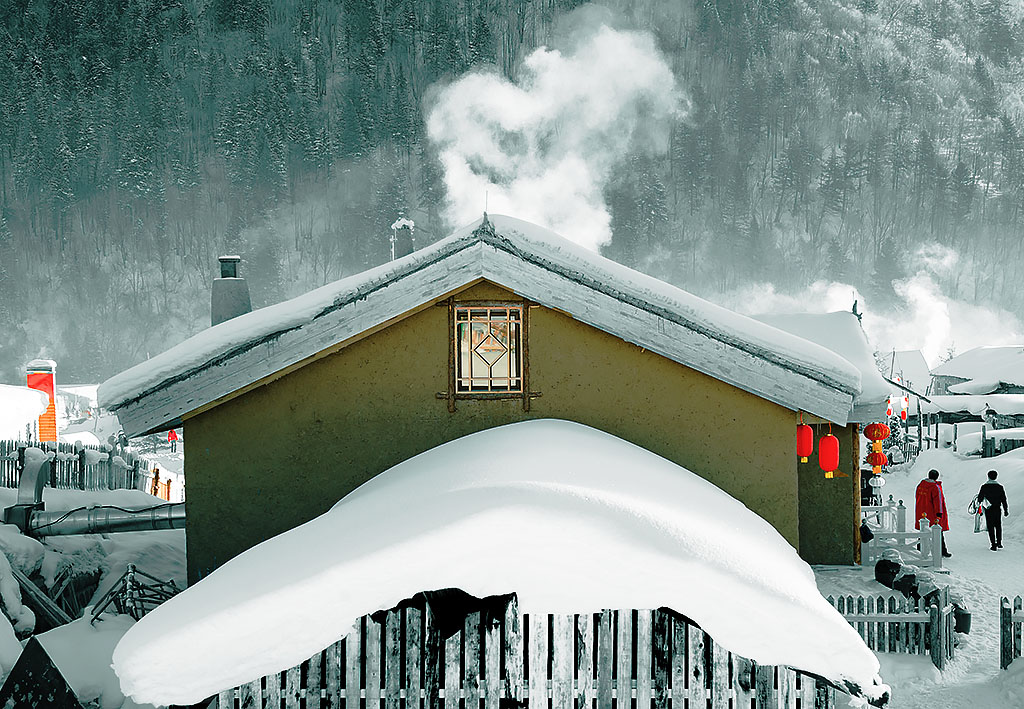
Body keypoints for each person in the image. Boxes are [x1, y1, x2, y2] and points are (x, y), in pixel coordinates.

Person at [916, 469, 952, 557]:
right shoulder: (935, 487)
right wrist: (939, 513)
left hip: (922, 511)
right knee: (938, 531)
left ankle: (919, 547)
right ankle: (942, 550)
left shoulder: (921, 485)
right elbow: (938, 502)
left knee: (923, 530)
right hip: (932, 513)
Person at [979, 470, 1009, 551]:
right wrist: (1006, 510)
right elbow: (1004, 499)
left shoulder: (984, 487)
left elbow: (980, 499)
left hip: (988, 509)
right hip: (997, 509)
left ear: (988, 476)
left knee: (990, 526)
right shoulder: (1000, 487)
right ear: (996, 477)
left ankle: (993, 545)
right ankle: (999, 542)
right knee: (998, 525)